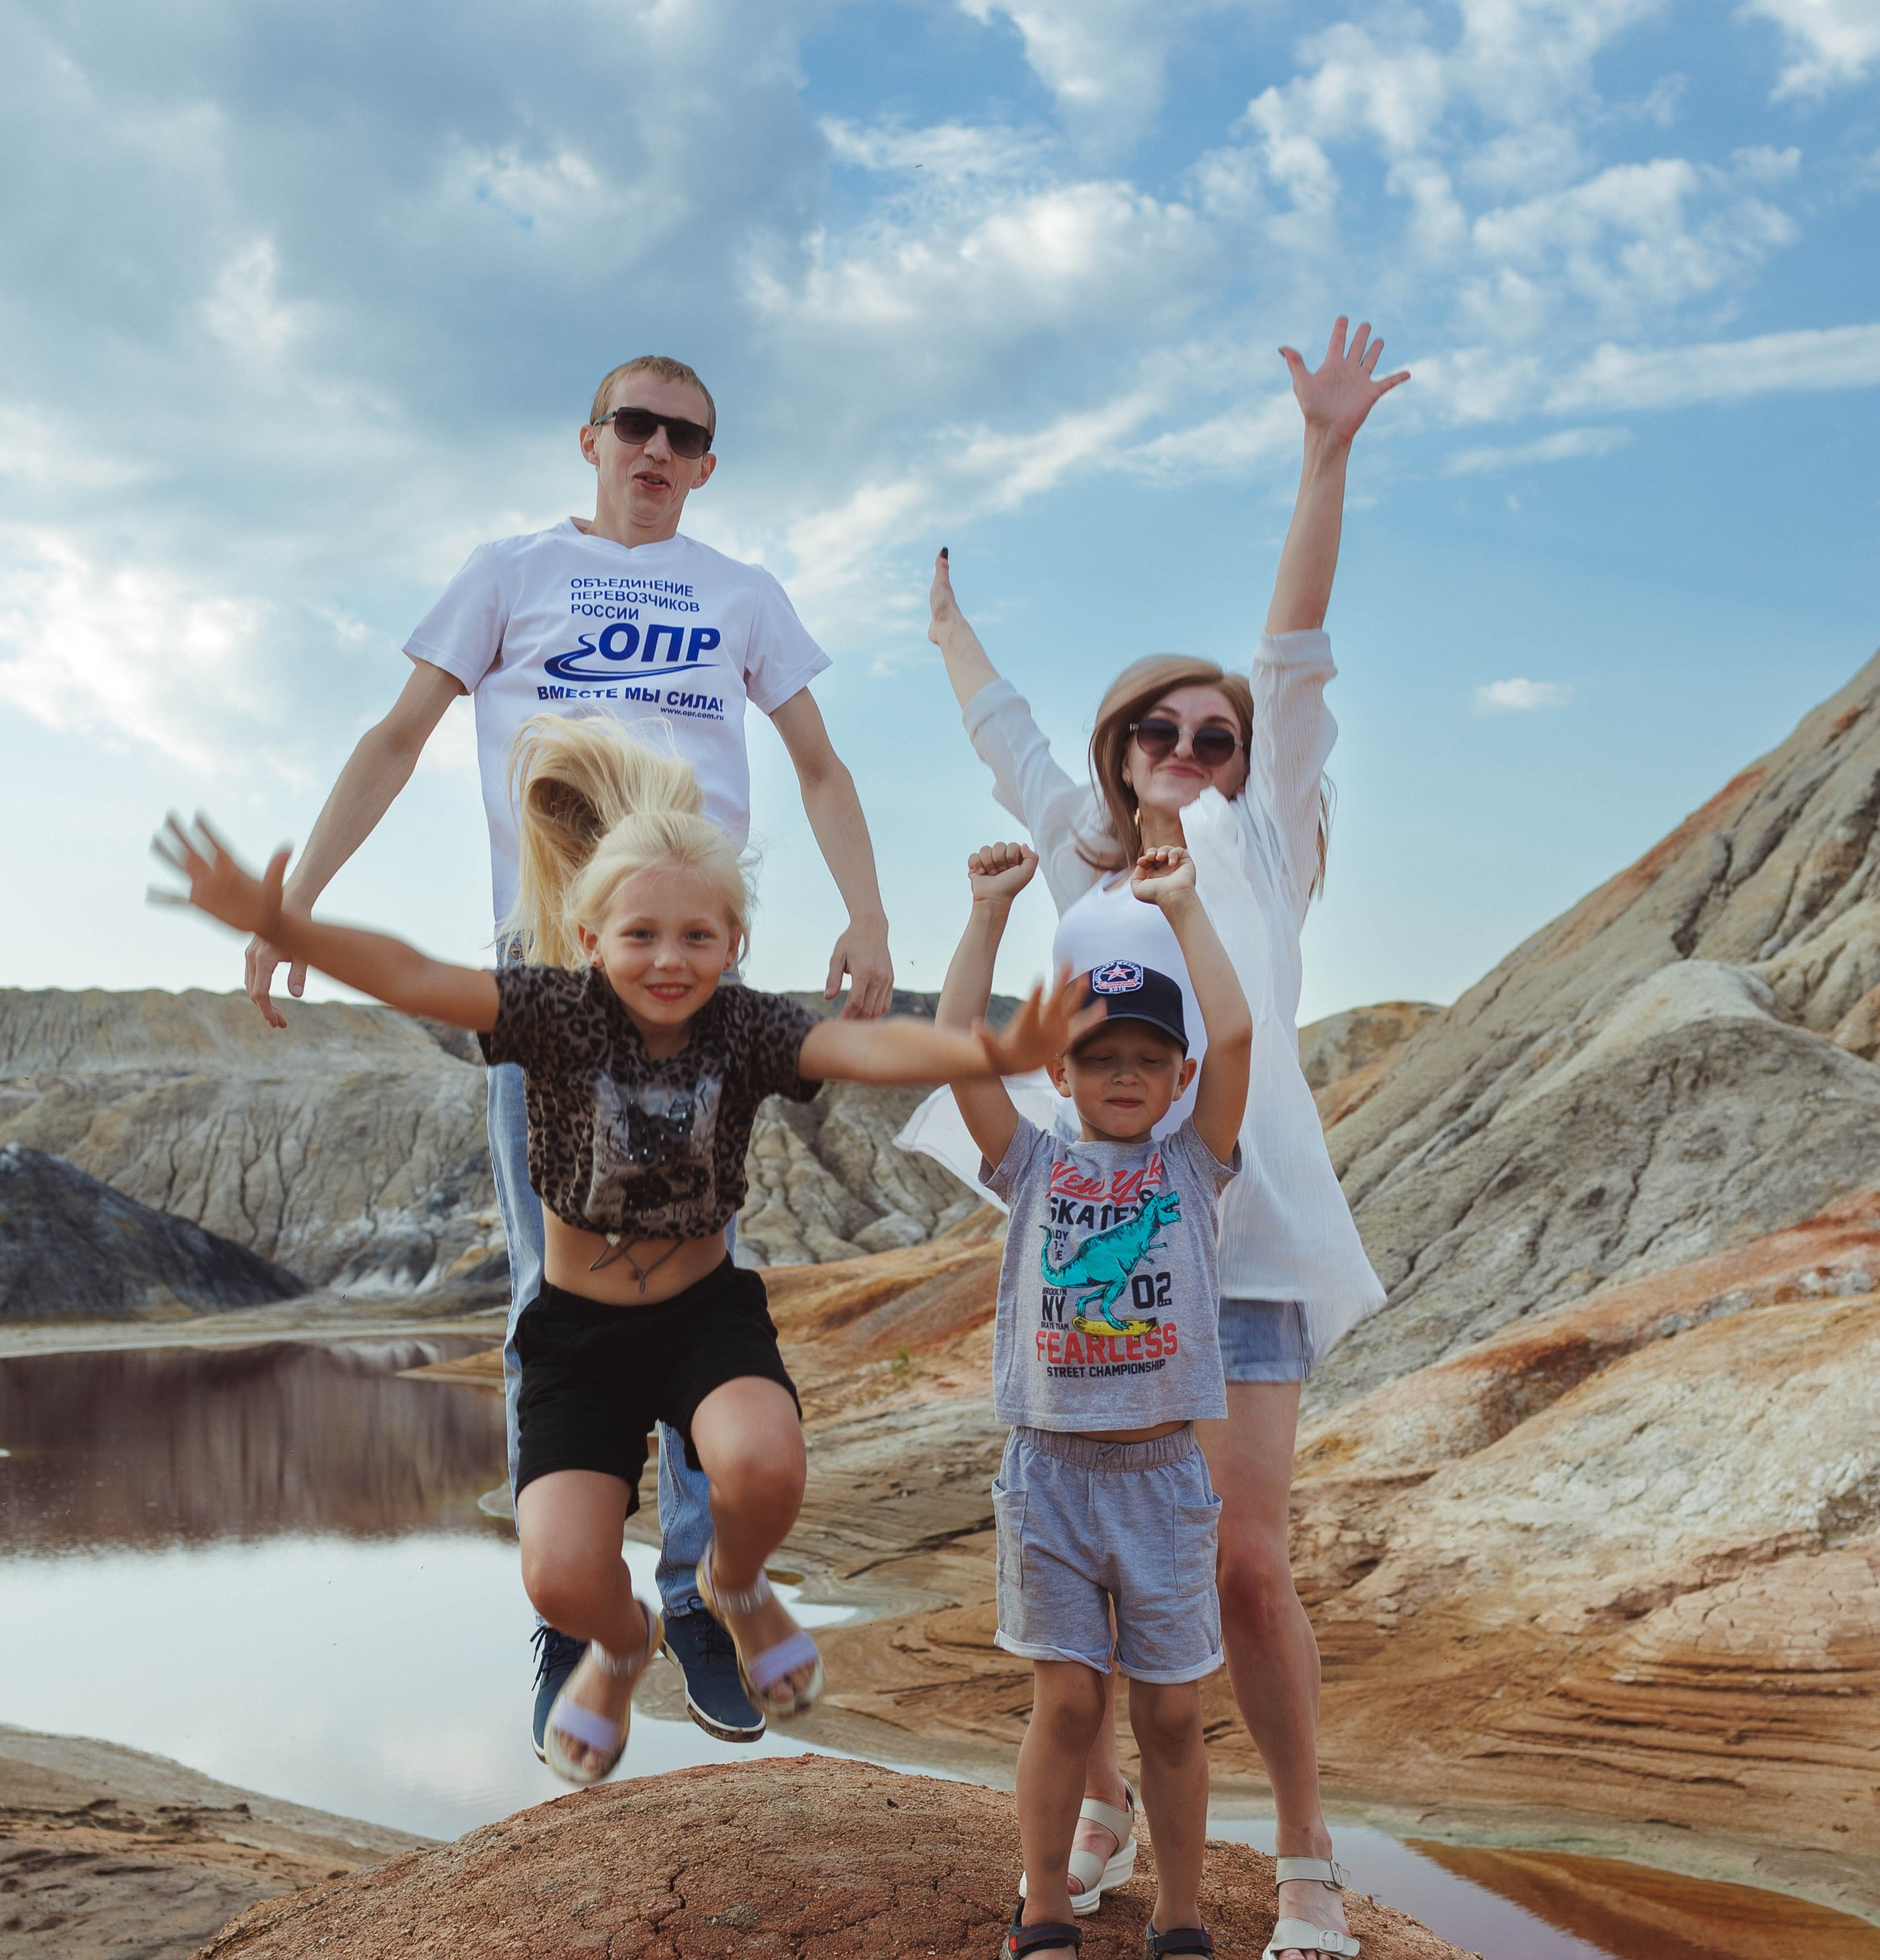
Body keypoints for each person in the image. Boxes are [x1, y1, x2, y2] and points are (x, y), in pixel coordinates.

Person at [154, 718, 1092, 1786]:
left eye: (699, 937)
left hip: (702, 1319)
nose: (669, 960)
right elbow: (413, 975)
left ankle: (734, 1588)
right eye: (641, 935)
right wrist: (289, 923)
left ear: (733, 946)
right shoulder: (551, 1013)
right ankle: (621, 1639)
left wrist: (994, 1047)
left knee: (763, 1461)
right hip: (578, 1338)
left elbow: (867, 1045)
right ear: (591, 936)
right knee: (557, 1574)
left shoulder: (743, 1028)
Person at [240, 354, 895, 1751]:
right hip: (550, 982)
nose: (658, 448)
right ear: (590, 439)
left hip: (692, 972)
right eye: (636, 425)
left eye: (688, 436)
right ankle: (578, 1602)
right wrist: (300, 894)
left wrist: (870, 913)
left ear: (708, 464)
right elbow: (399, 732)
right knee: (562, 1282)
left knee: (696, 1265)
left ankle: (707, 1595)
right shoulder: (508, 573)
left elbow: (823, 767)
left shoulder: (744, 597)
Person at [916, 319, 1406, 1960]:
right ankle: (1115, 1803)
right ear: (1121, 757)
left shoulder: (1261, 846)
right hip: (1107, 1260)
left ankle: (1312, 1871)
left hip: (1244, 1237)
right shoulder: (1084, 877)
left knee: (1242, 1566)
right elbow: (1010, 743)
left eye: (1213, 739)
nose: (1189, 758)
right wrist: (947, 634)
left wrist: (1322, 456)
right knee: (1115, 1561)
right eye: (1159, 738)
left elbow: (1292, 644)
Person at [938, 838, 1252, 1960]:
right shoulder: (1031, 1166)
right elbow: (961, 1048)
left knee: (1170, 1711)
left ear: (1177, 1077)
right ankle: (1046, 1908)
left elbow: (1244, 1038)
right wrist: (986, 915)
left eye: (1146, 1057)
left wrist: (1183, 905)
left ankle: (1180, 1913)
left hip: (1164, 1481)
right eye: (1098, 1055)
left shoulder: (1191, 1167)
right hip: (1051, 1477)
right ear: (1060, 1073)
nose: (1124, 1072)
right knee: (1068, 1705)